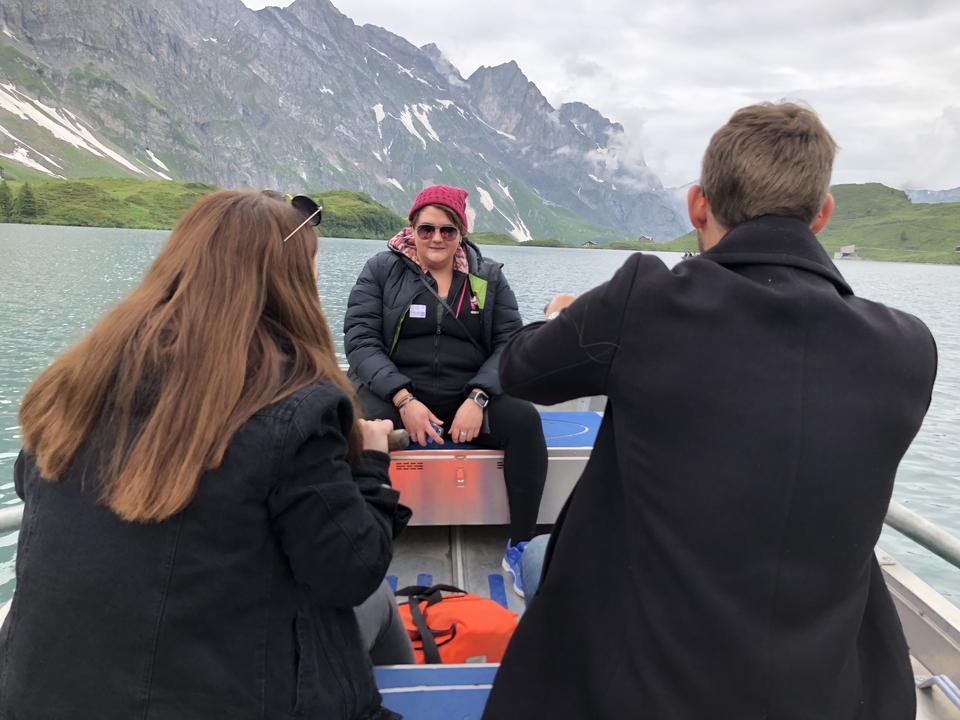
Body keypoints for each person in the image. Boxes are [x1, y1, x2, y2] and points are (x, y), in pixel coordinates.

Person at [483, 103, 938, 719]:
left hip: (648, 692)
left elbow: (520, 371)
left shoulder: (644, 303)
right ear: (822, 215)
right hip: (830, 694)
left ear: (699, 205)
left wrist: (566, 316)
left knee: (538, 558)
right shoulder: (908, 350)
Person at [0, 190, 412, 720]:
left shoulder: (70, 386)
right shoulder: (297, 410)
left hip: (35, 698)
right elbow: (352, 572)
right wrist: (372, 463)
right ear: (289, 284)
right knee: (376, 601)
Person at [343, 185, 547, 596]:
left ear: (461, 233)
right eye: (427, 229)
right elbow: (361, 341)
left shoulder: (487, 276)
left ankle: (521, 544)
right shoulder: (381, 269)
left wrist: (478, 397)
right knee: (344, 423)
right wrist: (403, 399)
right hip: (395, 392)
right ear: (412, 229)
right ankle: (355, 537)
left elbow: (509, 344)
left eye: (448, 230)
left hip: (467, 395)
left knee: (525, 421)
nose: (436, 238)